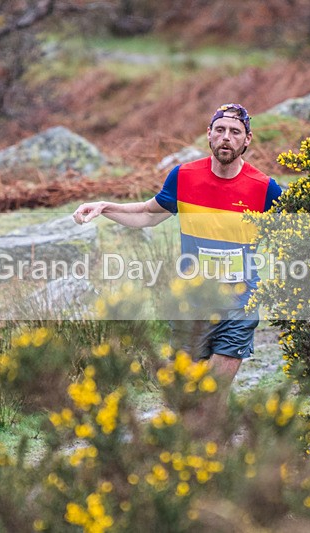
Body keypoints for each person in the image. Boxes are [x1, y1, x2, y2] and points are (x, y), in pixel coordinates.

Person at [72, 103, 282, 403]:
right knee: (186, 394)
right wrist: (106, 207)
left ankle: (212, 445)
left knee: (212, 393)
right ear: (208, 134)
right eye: (220, 130)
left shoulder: (264, 188)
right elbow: (147, 214)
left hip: (239, 306)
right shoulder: (184, 177)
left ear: (247, 139)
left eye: (235, 132)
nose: (226, 137)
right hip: (191, 306)